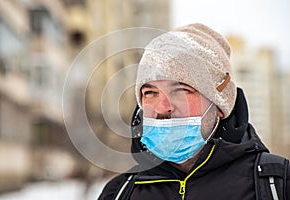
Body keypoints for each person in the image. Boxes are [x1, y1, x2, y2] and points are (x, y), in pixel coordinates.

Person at [98, 23, 290, 199]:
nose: (162, 107)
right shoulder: (120, 192)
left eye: (181, 90)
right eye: (150, 93)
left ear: (220, 105)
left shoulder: (277, 185)